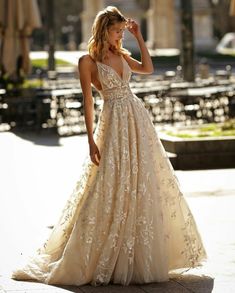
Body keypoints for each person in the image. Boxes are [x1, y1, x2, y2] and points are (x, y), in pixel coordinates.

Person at [12, 6, 206, 286]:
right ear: (103, 30)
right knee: (109, 181)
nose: (119, 37)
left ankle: (136, 250)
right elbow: (89, 102)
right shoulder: (87, 62)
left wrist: (139, 38)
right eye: (116, 32)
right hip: (113, 122)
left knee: (140, 179)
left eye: (121, 32)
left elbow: (148, 69)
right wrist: (90, 139)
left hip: (137, 121)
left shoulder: (123, 55)